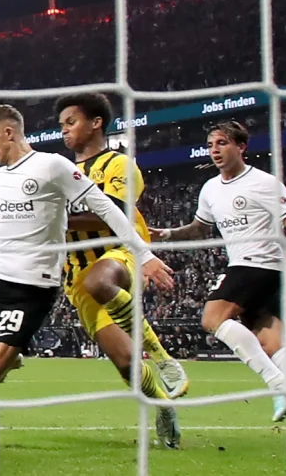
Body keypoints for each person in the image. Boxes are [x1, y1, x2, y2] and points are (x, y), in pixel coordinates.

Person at [0, 104, 180, 450]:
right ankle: (4, 357)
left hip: (32, 286)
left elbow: (108, 207)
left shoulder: (52, 166)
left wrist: (144, 254)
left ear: (9, 132)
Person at [149, 120, 286, 438]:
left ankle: (278, 384)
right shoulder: (210, 189)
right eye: (211, 144)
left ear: (241, 147)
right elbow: (200, 227)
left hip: (258, 265)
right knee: (273, 345)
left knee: (212, 318)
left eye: (222, 143)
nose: (215, 150)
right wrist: (168, 233)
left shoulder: (265, 183)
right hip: (258, 270)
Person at [53, 93, 188, 396]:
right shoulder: (58, 175)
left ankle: (162, 357)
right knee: (125, 361)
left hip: (119, 254)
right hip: (76, 274)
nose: (64, 129)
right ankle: (163, 405)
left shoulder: (120, 164)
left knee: (99, 281)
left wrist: (54, 218)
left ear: (96, 123)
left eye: (71, 122)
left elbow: (111, 214)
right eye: (62, 124)